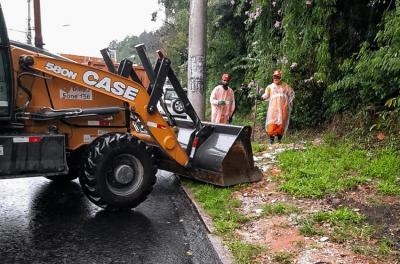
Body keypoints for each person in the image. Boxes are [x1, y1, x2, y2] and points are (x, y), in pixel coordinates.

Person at [261, 70, 294, 144]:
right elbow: (266, 95)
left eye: (277, 77)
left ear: (280, 77)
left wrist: (291, 102)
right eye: (274, 77)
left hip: (283, 108)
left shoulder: (285, 86)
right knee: (272, 122)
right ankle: (271, 140)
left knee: (282, 123)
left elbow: (291, 94)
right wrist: (261, 97)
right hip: (273, 109)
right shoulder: (270, 87)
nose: (276, 78)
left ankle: (279, 140)